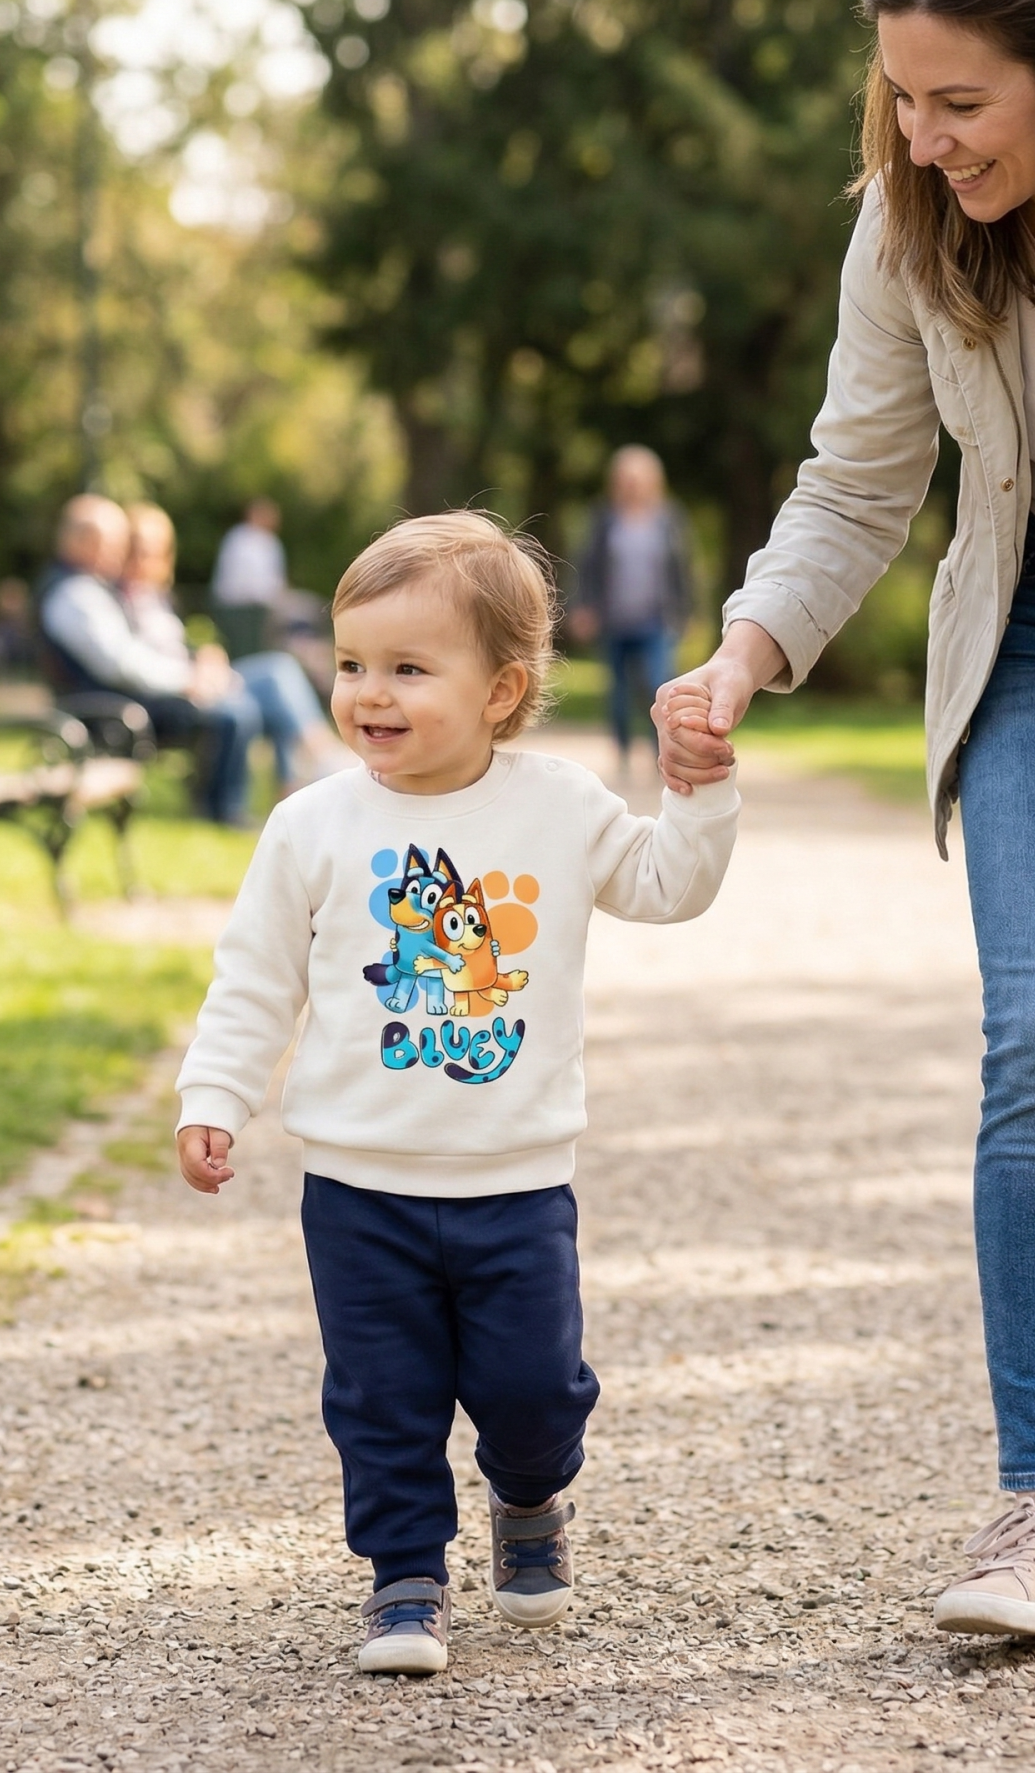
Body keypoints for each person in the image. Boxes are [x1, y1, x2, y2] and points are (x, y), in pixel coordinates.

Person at [657, 0, 1035, 1640]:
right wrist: (744, 653)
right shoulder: (908, 229)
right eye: (904, 94)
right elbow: (860, 478)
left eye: (962, 101)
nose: (928, 133)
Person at [174, 511, 738, 1673]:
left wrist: (698, 793)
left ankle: (529, 1501)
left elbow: (667, 885)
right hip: (357, 1185)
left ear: (500, 690)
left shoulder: (558, 806)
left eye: (406, 669)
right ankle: (405, 1578)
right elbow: (254, 980)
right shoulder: (311, 826)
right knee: (380, 1399)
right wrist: (214, 1097)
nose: (367, 695)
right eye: (349, 664)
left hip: (514, 1181)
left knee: (532, 1391)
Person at [35, 494, 260, 827]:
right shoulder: (76, 595)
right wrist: (186, 681)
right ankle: (222, 811)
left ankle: (222, 807)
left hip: (125, 699)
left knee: (236, 705)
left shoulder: (89, 589)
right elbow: (119, 664)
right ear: (79, 541)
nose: (117, 553)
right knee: (230, 713)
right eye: (109, 543)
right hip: (111, 710)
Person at [120, 503, 349, 793]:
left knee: (278, 671)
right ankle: (320, 760)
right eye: (139, 549)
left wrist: (205, 655)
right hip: (177, 691)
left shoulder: (156, 597)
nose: (147, 559)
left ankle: (298, 780)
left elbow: (175, 646)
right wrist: (191, 677)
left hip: (197, 678)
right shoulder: (119, 600)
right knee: (271, 682)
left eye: (156, 551)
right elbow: (135, 660)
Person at [571, 446, 692, 770]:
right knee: (619, 693)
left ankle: (659, 752)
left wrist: (688, 613)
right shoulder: (604, 518)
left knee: (658, 685)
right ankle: (623, 750)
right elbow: (589, 566)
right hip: (614, 621)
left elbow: (683, 570)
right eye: (626, 479)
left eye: (639, 479)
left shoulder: (668, 519)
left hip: (656, 620)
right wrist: (583, 608)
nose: (633, 485)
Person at [210, 497, 287, 608]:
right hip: (241, 602)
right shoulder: (239, 538)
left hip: (262, 600)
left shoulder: (271, 541)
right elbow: (247, 584)